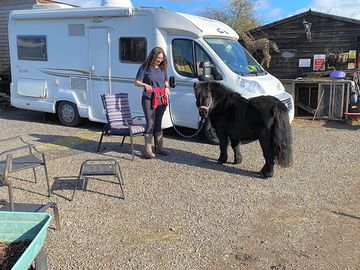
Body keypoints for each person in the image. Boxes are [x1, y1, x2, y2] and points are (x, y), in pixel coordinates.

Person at [135, 47, 170, 159]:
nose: (159, 60)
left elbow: (165, 80)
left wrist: (167, 87)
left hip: (160, 98)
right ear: (153, 56)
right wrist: (145, 85)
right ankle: (148, 150)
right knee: (150, 122)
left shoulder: (162, 68)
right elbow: (136, 82)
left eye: (161, 58)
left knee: (158, 122)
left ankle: (160, 148)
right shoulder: (145, 67)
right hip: (149, 98)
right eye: (158, 58)